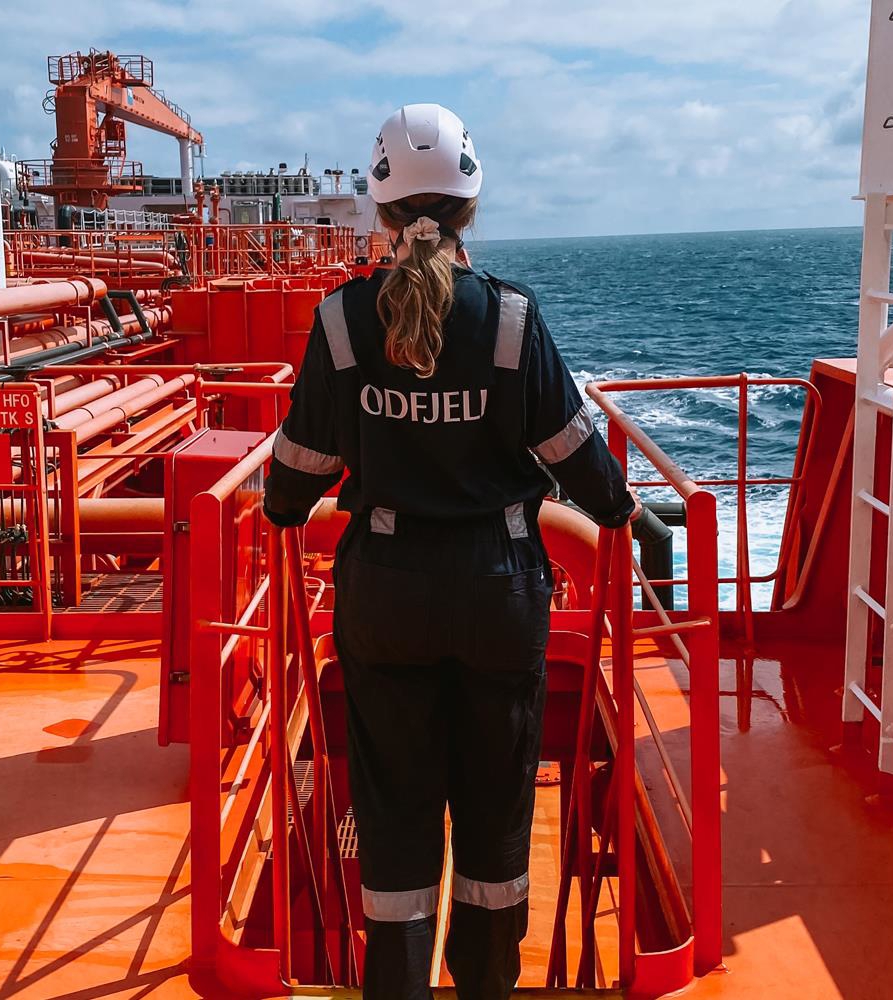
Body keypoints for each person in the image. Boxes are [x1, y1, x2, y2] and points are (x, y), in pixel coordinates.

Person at [263, 103, 639, 1000]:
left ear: (380, 210)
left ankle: (395, 986)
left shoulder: (343, 323)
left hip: (385, 592)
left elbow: (290, 486)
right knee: (494, 810)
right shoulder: (512, 320)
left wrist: (306, 487)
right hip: (499, 590)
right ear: (471, 203)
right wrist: (625, 510)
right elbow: (581, 467)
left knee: (393, 812)